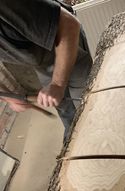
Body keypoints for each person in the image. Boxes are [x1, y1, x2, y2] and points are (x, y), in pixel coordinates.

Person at [0, 0, 93, 142]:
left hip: (65, 42)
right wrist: (10, 98)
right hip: (41, 60)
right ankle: (73, 137)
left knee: (86, 102)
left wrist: (57, 84)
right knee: (61, 105)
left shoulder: (7, 5)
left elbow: (69, 25)